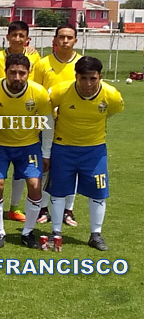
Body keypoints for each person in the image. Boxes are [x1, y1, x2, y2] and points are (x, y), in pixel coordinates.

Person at [47, 56, 124, 251]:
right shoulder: (60, 91)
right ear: (76, 77)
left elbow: (112, 111)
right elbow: (46, 111)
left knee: (98, 191)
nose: (88, 84)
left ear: (100, 77)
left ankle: (96, 235)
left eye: (93, 78)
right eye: (83, 78)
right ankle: (56, 232)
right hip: (62, 148)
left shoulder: (111, 96)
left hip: (95, 150)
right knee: (58, 191)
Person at [0, 54, 53, 248]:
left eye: (22, 73)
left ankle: (27, 232)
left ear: (28, 73)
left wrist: (46, 152)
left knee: (34, 185)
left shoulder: (38, 92)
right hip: (1, 146)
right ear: (5, 72)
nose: (17, 77)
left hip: (28, 146)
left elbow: (48, 123)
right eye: (12, 72)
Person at [0, 21, 41, 223]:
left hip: (26, 119)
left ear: (27, 38)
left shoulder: (35, 56)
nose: (18, 39)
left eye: (22, 35)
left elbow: (36, 87)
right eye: (14, 35)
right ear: (7, 37)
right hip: (1, 121)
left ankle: (15, 208)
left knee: (23, 174)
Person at [32, 24, 82, 226]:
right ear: (55, 40)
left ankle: (68, 209)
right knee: (44, 165)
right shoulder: (43, 64)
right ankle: (42, 208)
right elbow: (35, 92)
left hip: (72, 124)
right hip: (45, 124)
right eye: (61, 37)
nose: (65, 41)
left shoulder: (81, 64)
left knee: (72, 168)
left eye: (69, 37)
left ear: (75, 40)